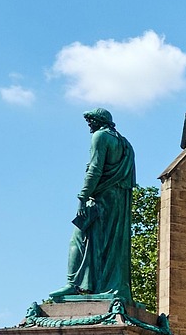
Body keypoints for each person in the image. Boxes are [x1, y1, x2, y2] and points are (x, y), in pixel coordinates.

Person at [50, 108, 137, 302]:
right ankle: (96, 286)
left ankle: (72, 284)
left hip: (101, 200)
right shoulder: (125, 144)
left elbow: (95, 170)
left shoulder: (100, 137)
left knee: (78, 239)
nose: (89, 125)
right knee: (108, 245)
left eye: (91, 121)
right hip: (118, 202)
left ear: (99, 121)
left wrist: (82, 197)